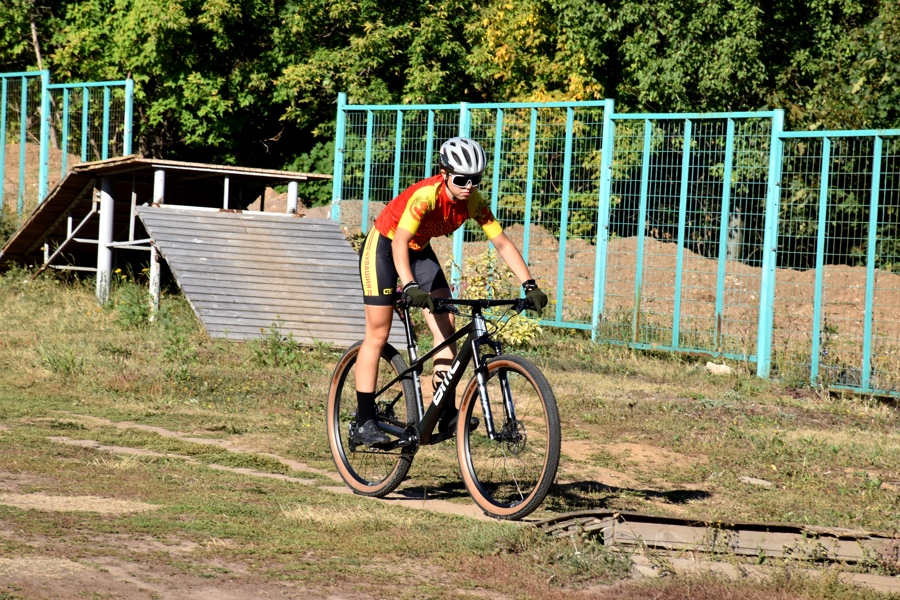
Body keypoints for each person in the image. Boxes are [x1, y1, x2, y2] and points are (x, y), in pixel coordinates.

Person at [353, 137, 548, 445]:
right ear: (444, 173)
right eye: (461, 179)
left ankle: (444, 409)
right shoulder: (426, 196)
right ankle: (363, 419)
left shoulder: (472, 201)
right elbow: (400, 242)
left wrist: (529, 284)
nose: (469, 186)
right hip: (384, 247)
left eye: (476, 179)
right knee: (378, 332)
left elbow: (502, 243)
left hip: (419, 252)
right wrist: (410, 285)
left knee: (447, 328)